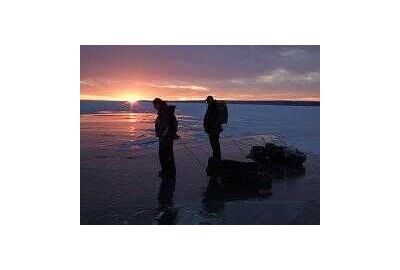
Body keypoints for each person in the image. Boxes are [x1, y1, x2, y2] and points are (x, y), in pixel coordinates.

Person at [153, 98, 179, 177]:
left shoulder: (165, 112)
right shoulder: (165, 111)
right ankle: (169, 171)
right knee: (167, 155)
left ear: (158, 104)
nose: (154, 107)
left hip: (165, 138)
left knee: (164, 155)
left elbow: (166, 126)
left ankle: (167, 172)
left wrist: (164, 135)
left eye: (154, 105)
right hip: (166, 137)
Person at [203, 95, 222, 161]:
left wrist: (209, 126)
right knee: (214, 144)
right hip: (213, 129)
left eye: (208, 101)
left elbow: (213, 119)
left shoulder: (214, 108)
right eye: (207, 101)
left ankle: (217, 158)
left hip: (213, 130)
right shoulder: (211, 107)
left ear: (210, 100)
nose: (207, 102)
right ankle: (216, 157)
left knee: (215, 144)